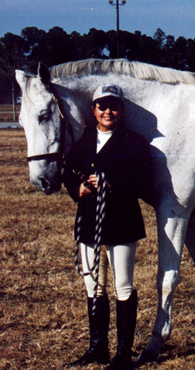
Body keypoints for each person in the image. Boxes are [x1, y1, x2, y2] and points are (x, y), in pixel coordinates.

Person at [63, 84, 152, 369]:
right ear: (94, 110)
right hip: (90, 221)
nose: (107, 112)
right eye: (102, 106)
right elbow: (68, 170)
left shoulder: (135, 142)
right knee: (94, 286)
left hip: (122, 221)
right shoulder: (85, 139)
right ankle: (97, 349)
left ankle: (124, 354)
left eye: (113, 106)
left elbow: (144, 181)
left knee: (122, 286)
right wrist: (77, 188)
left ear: (121, 110)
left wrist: (111, 184)